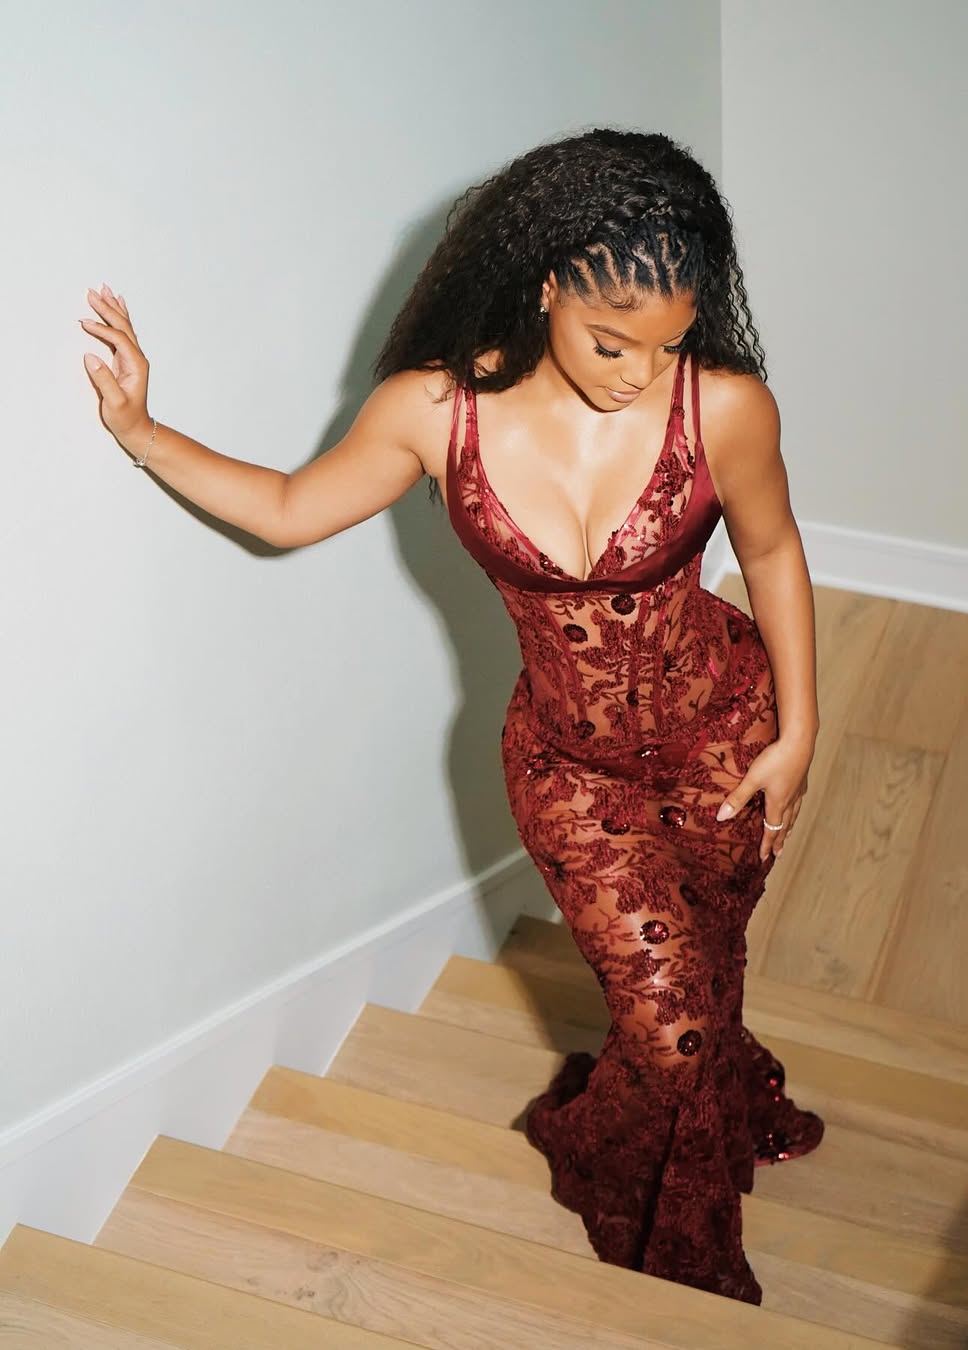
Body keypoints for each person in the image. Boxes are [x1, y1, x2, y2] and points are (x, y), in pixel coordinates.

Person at [79, 127, 823, 1306]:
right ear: (549, 285)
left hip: (726, 738)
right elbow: (288, 508)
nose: (640, 374)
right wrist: (141, 432)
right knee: (671, 1027)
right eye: (612, 341)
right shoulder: (437, 411)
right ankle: (681, 1260)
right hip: (572, 772)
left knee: (707, 970)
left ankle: (717, 1122)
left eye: (670, 343)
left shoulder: (725, 407)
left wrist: (799, 731)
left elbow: (773, 553)